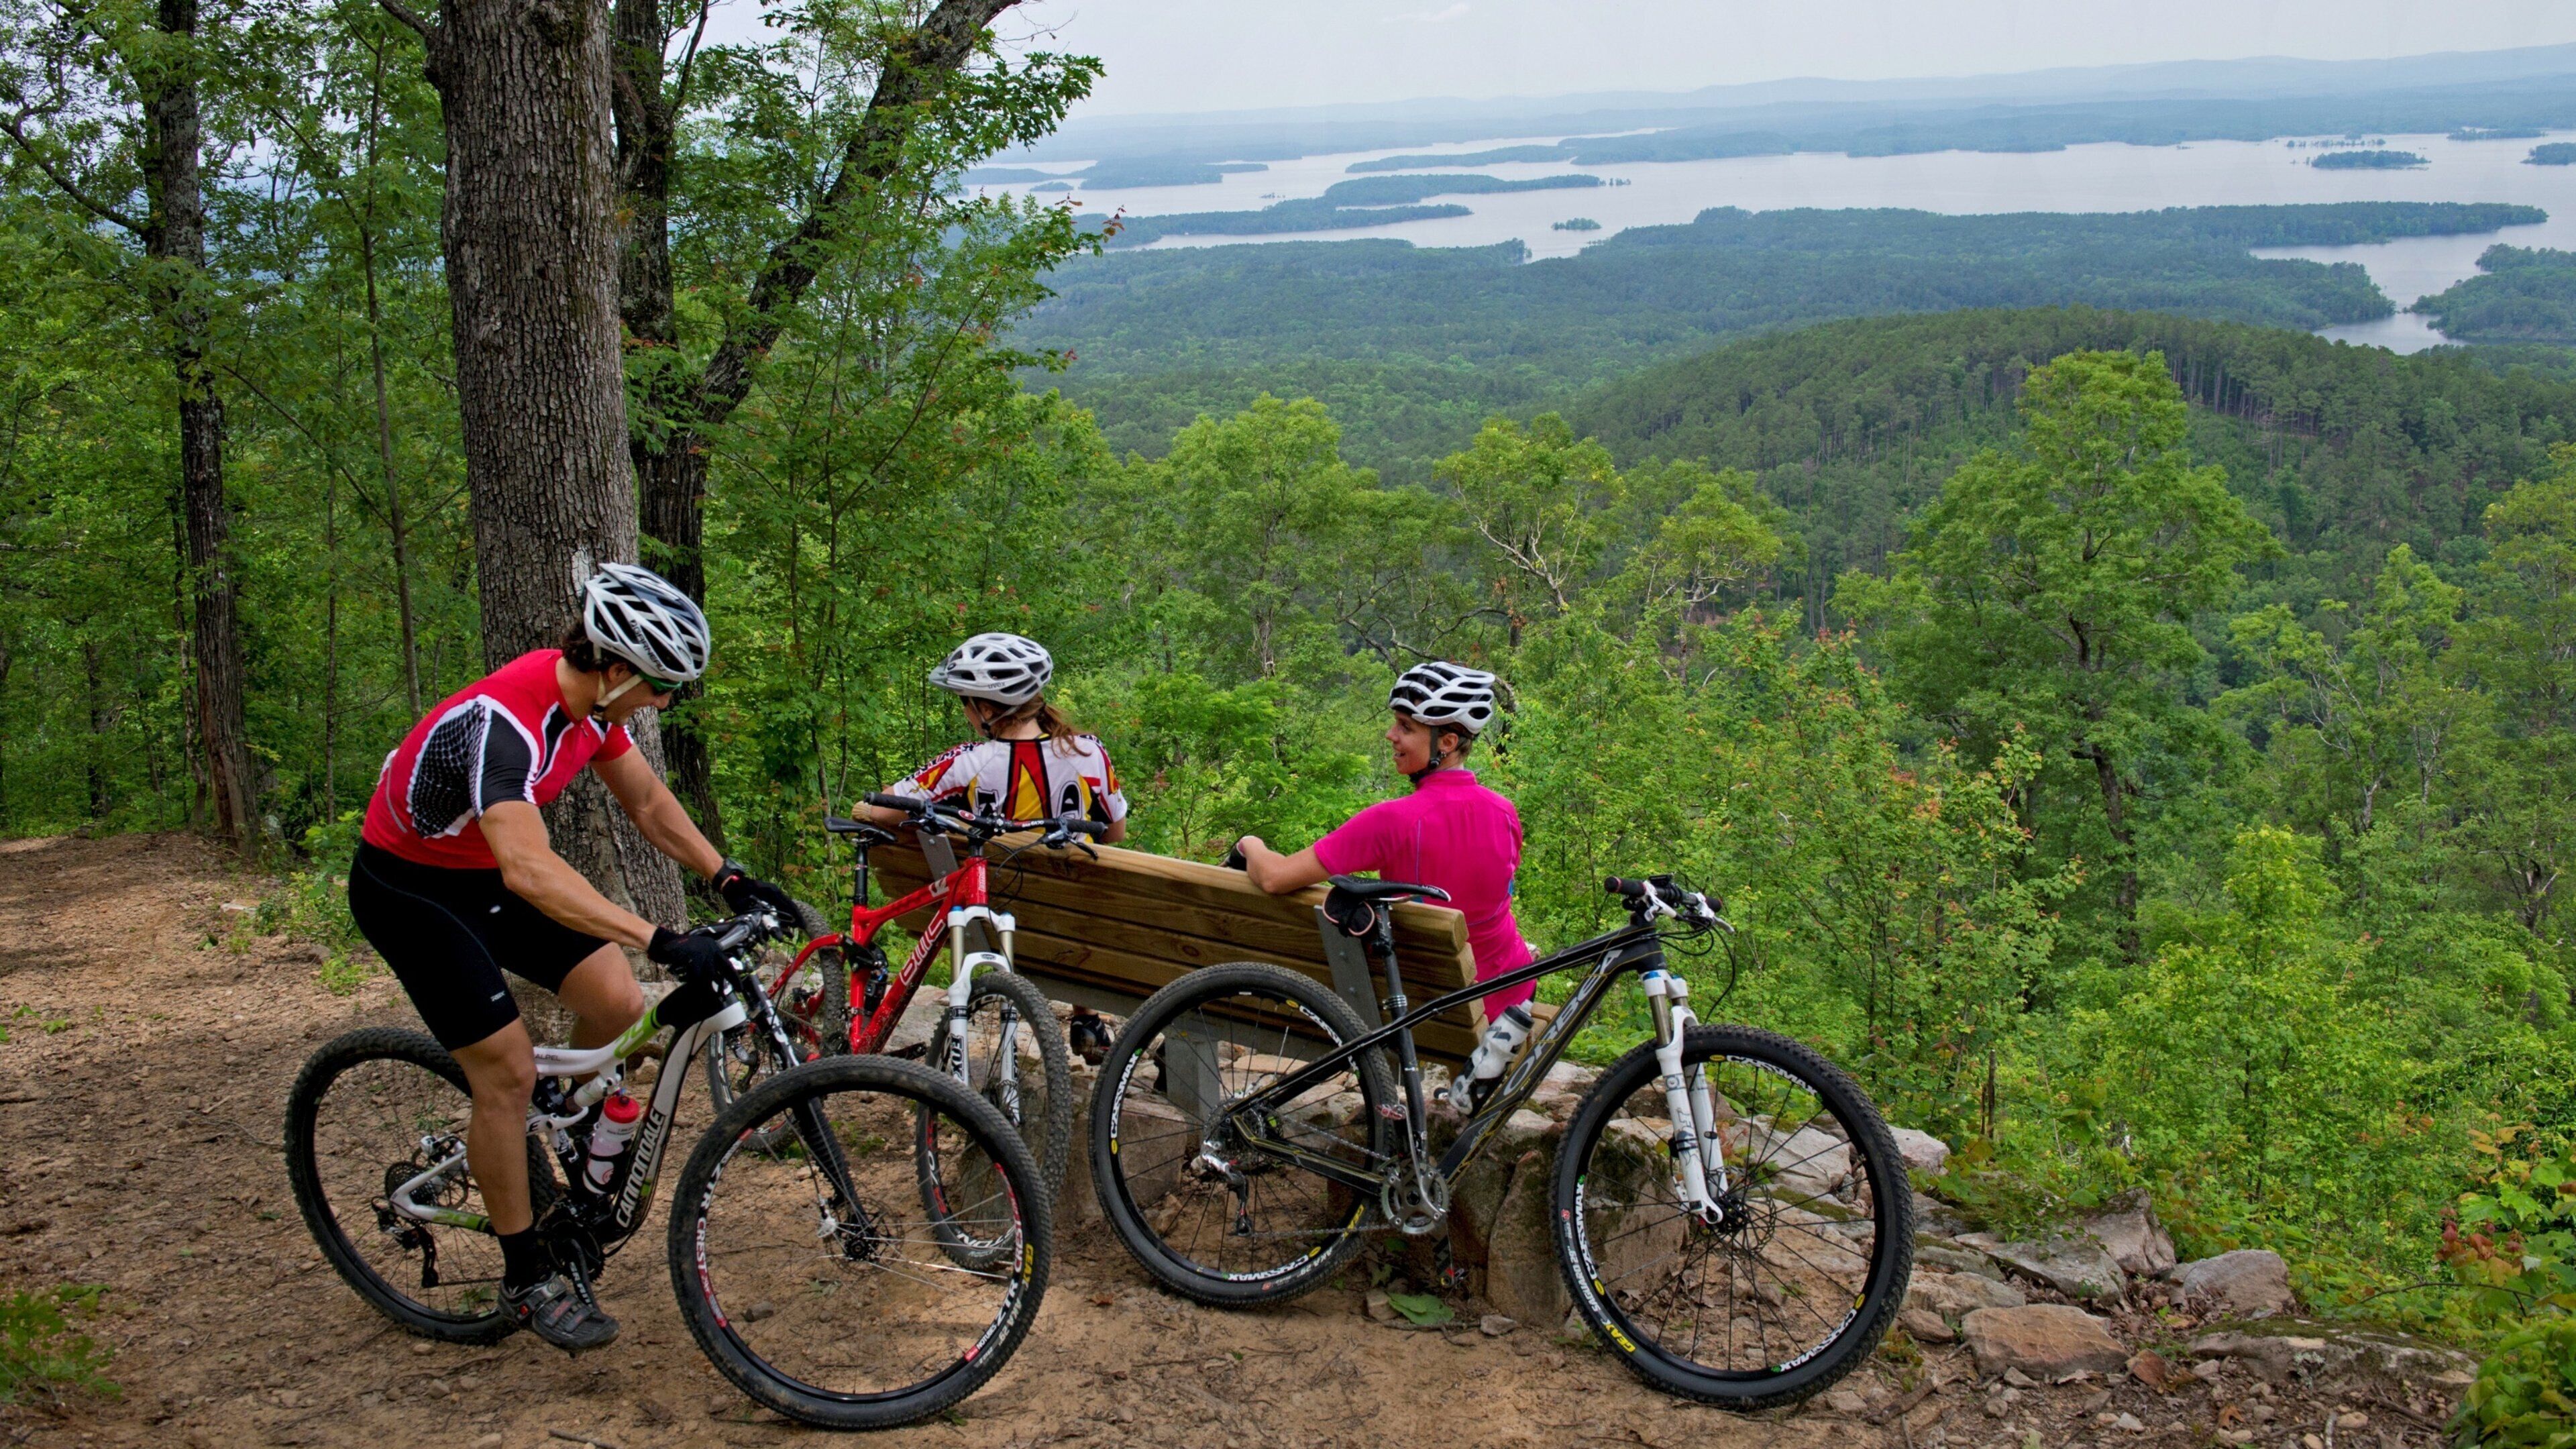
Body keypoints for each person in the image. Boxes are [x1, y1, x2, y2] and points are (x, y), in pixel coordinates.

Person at [347, 562, 799, 1352]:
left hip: (481, 874)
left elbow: (649, 802)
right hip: (411, 890)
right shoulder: (508, 722)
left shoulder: (593, 708)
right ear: (618, 668)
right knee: (508, 1072)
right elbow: (528, 869)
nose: (666, 703)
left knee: (622, 1004)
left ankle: (563, 1129)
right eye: (663, 687)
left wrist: (726, 877)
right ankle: (525, 1277)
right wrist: (659, 937)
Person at [1233, 661, 1536, 1112]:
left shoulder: (1390, 822)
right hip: (1500, 994)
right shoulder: (1505, 813)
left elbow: (1276, 877)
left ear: (1447, 743)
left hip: (1421, 1003)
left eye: (1406, 727)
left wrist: (1250, 844)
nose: (1391, 736)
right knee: (1508, 941)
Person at [861, 632, 1130, 843]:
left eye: (965, 704)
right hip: (1074, 900)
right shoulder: (1086, 752)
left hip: (992, 898)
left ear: (986, 710)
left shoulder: (965, 762)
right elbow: (1115, 832)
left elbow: (880, 811)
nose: (966, 712)